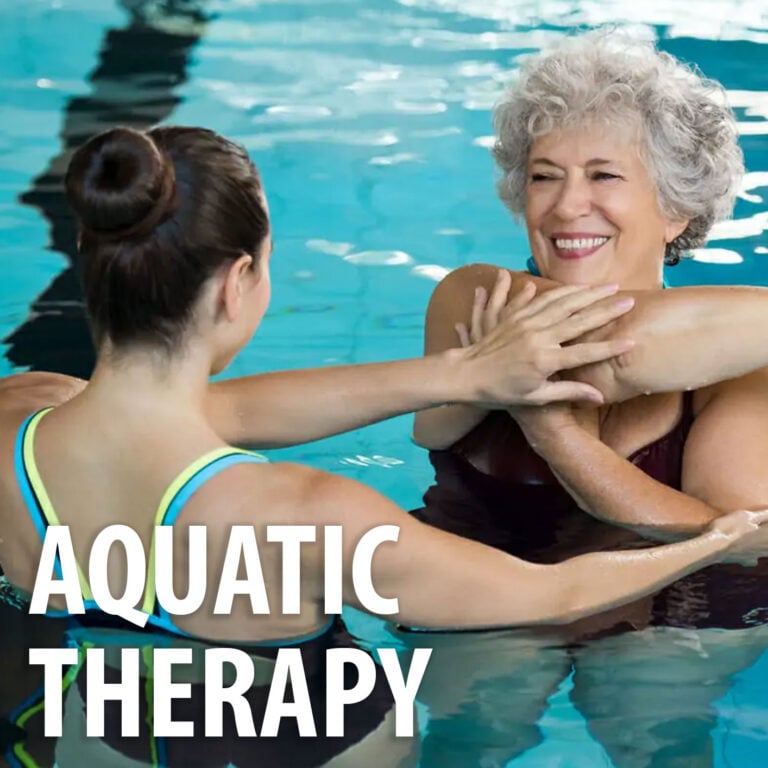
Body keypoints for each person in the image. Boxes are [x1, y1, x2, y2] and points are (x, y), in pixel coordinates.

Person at [0, 125, 764, 765]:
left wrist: (456, 374)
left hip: (73, 737)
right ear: (239, 283)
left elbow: (212, 410)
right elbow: (553, 596)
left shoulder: (17, 419)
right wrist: (710, 541)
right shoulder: (307, 517)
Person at [410, 29, 768, 767]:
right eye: (544, 176)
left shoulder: (743, 367)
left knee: (654, 727)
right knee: (474, 733)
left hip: (679, 603)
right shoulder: (475, 299)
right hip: (492, 575)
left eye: (605, 176)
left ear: (674, 212)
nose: (568, 206)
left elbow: (735, 538)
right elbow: (608, 345)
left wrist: (557, 436)